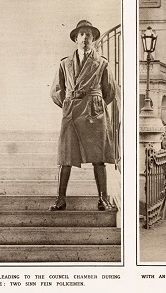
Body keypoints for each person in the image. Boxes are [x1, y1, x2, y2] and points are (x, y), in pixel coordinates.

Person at [50, 20, 117, 212]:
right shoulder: (65, 63)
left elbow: (109, 91)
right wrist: (68, 104)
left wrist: (95, 104)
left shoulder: (102, 63)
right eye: (82, 34)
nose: (85, 38)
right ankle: (61, 199)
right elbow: (56, 90)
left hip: (93, 113)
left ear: (94, 39)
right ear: (75, 38)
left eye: (89, 35)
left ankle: (102, 199)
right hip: (71, 112)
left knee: (99, 158)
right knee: (66, 157)